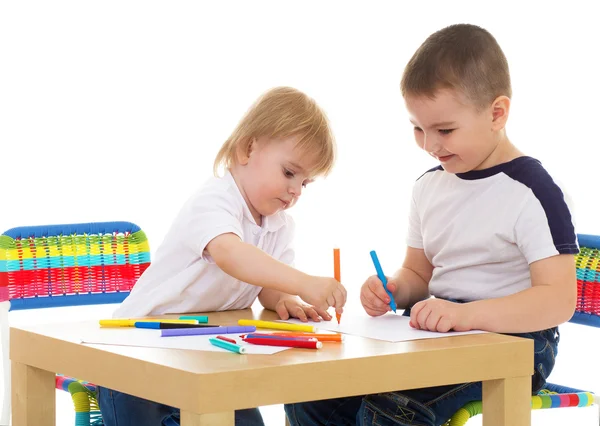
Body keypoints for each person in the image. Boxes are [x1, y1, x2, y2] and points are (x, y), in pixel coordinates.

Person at [284, 23, 578, 426]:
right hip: (437, 335)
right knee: (312, 395)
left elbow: (558, 300)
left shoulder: (533, 192)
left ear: (497, 113)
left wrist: (465, 315)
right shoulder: (428, 188)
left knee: (393, 411)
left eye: (445, 130)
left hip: (516, 344)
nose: (429, 144)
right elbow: (419, 274)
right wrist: (395, 288)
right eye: (418, 128)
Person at [99, 86, 347, 426]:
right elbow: (231, 255)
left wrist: (286, 298)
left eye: (305, 183)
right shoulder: (215, 199)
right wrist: (304, 283)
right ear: (247, 149)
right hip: (140, 351)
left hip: (206, 356)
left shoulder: (278, 225)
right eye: (289, 173)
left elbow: (267, 285)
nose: (295, 191)